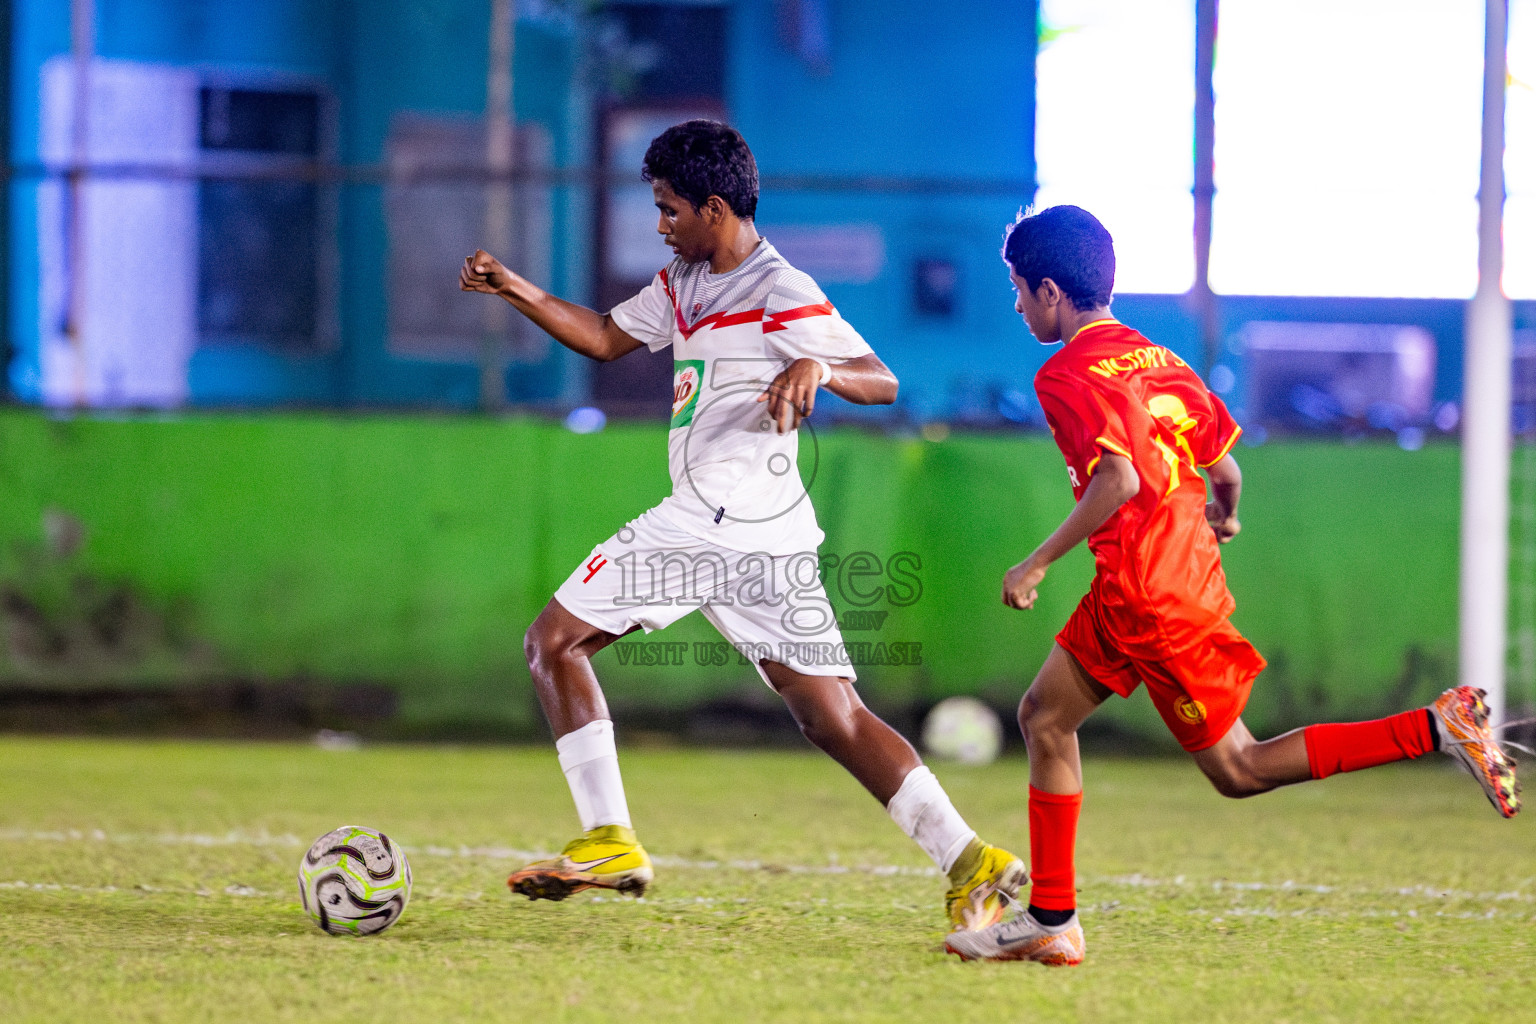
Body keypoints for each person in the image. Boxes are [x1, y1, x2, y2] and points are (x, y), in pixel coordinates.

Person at [460, 120, 1023, 932]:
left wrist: (815, 364)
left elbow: (883, 380)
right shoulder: (685, 280)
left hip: (712, 520)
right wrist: (516, 287)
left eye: (668, 209)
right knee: (833, 718)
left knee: (552, 641)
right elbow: (608, 339)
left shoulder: (778, 288)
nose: (660, 224)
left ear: (714, 207)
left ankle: (609, 837)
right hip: (769, 534)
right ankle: (974, 862)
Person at [944, 205, 1522, 966]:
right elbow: (1227, 467)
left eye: (1019, 290)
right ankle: (1052, 918)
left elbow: (1115, 477)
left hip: (1153, 597)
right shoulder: (1162, 361)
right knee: (1045, 717)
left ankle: (1438, 726)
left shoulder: (1066, 373)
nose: (1018, 306)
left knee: (1240, 769)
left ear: (1050, 290)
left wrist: (1038, 561)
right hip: (1148, 581)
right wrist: (1224, 514)